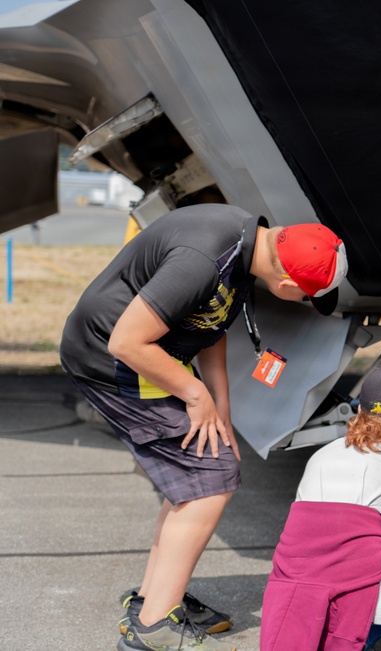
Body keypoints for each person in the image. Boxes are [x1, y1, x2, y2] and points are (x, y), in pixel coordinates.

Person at [59, 203, 348, 651]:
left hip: (149, 352)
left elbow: (209, 327)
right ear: (289, 284)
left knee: (207, 463)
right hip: (112, 356)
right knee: (210, 478)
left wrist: (221, 410)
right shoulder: (204, 260)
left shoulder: (250, 246)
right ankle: (155, 627)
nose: (307, 303)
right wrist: (196, 397)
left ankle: (153, 600)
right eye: (309, 296)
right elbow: (127, 341)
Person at [260, 364, 381, 651]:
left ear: (360, 412)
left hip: (292, 587)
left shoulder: (323, 455)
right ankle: (357, 638)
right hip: (350, 584)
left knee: (371, 529)